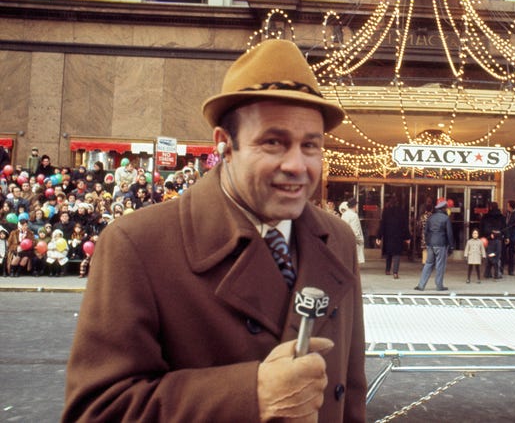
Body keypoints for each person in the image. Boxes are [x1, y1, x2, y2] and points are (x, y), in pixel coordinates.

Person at [63, 39, 366, 422]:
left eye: (311, 145)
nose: (297, 165)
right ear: (224, 144)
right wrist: (250, 397)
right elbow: (96, 412)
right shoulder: (137, 245)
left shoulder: (336, 238)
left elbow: (352, 390)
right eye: (273, 143)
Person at [415, 198, 454, 291]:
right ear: (444, 208)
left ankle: (421, 285)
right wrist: (451, 246)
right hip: (441, 244)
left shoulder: (431, 217)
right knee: (440, 265)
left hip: (430, 244)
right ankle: (439, 285)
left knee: (428, 263)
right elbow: (449, 233)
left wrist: (428, 243)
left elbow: (426, 231)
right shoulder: (446, 218)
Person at [376, 196, 411, 279]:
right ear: (397, 203)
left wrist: (379, 236)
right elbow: (405, 226)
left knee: (389, 253)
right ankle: (395, 272)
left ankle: (387, 270)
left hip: (388, 235)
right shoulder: (402, 212)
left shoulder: (386, 212)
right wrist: (407, 237)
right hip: (398, 236)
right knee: (397, 254)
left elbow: (382, 225)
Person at [341, 198, 365, 264]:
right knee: (354, 265)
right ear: (355, 205)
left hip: (346, 241)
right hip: (354, 243)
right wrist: (360, 240)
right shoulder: (354, 216)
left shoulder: (344, 214)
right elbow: (356, 232)